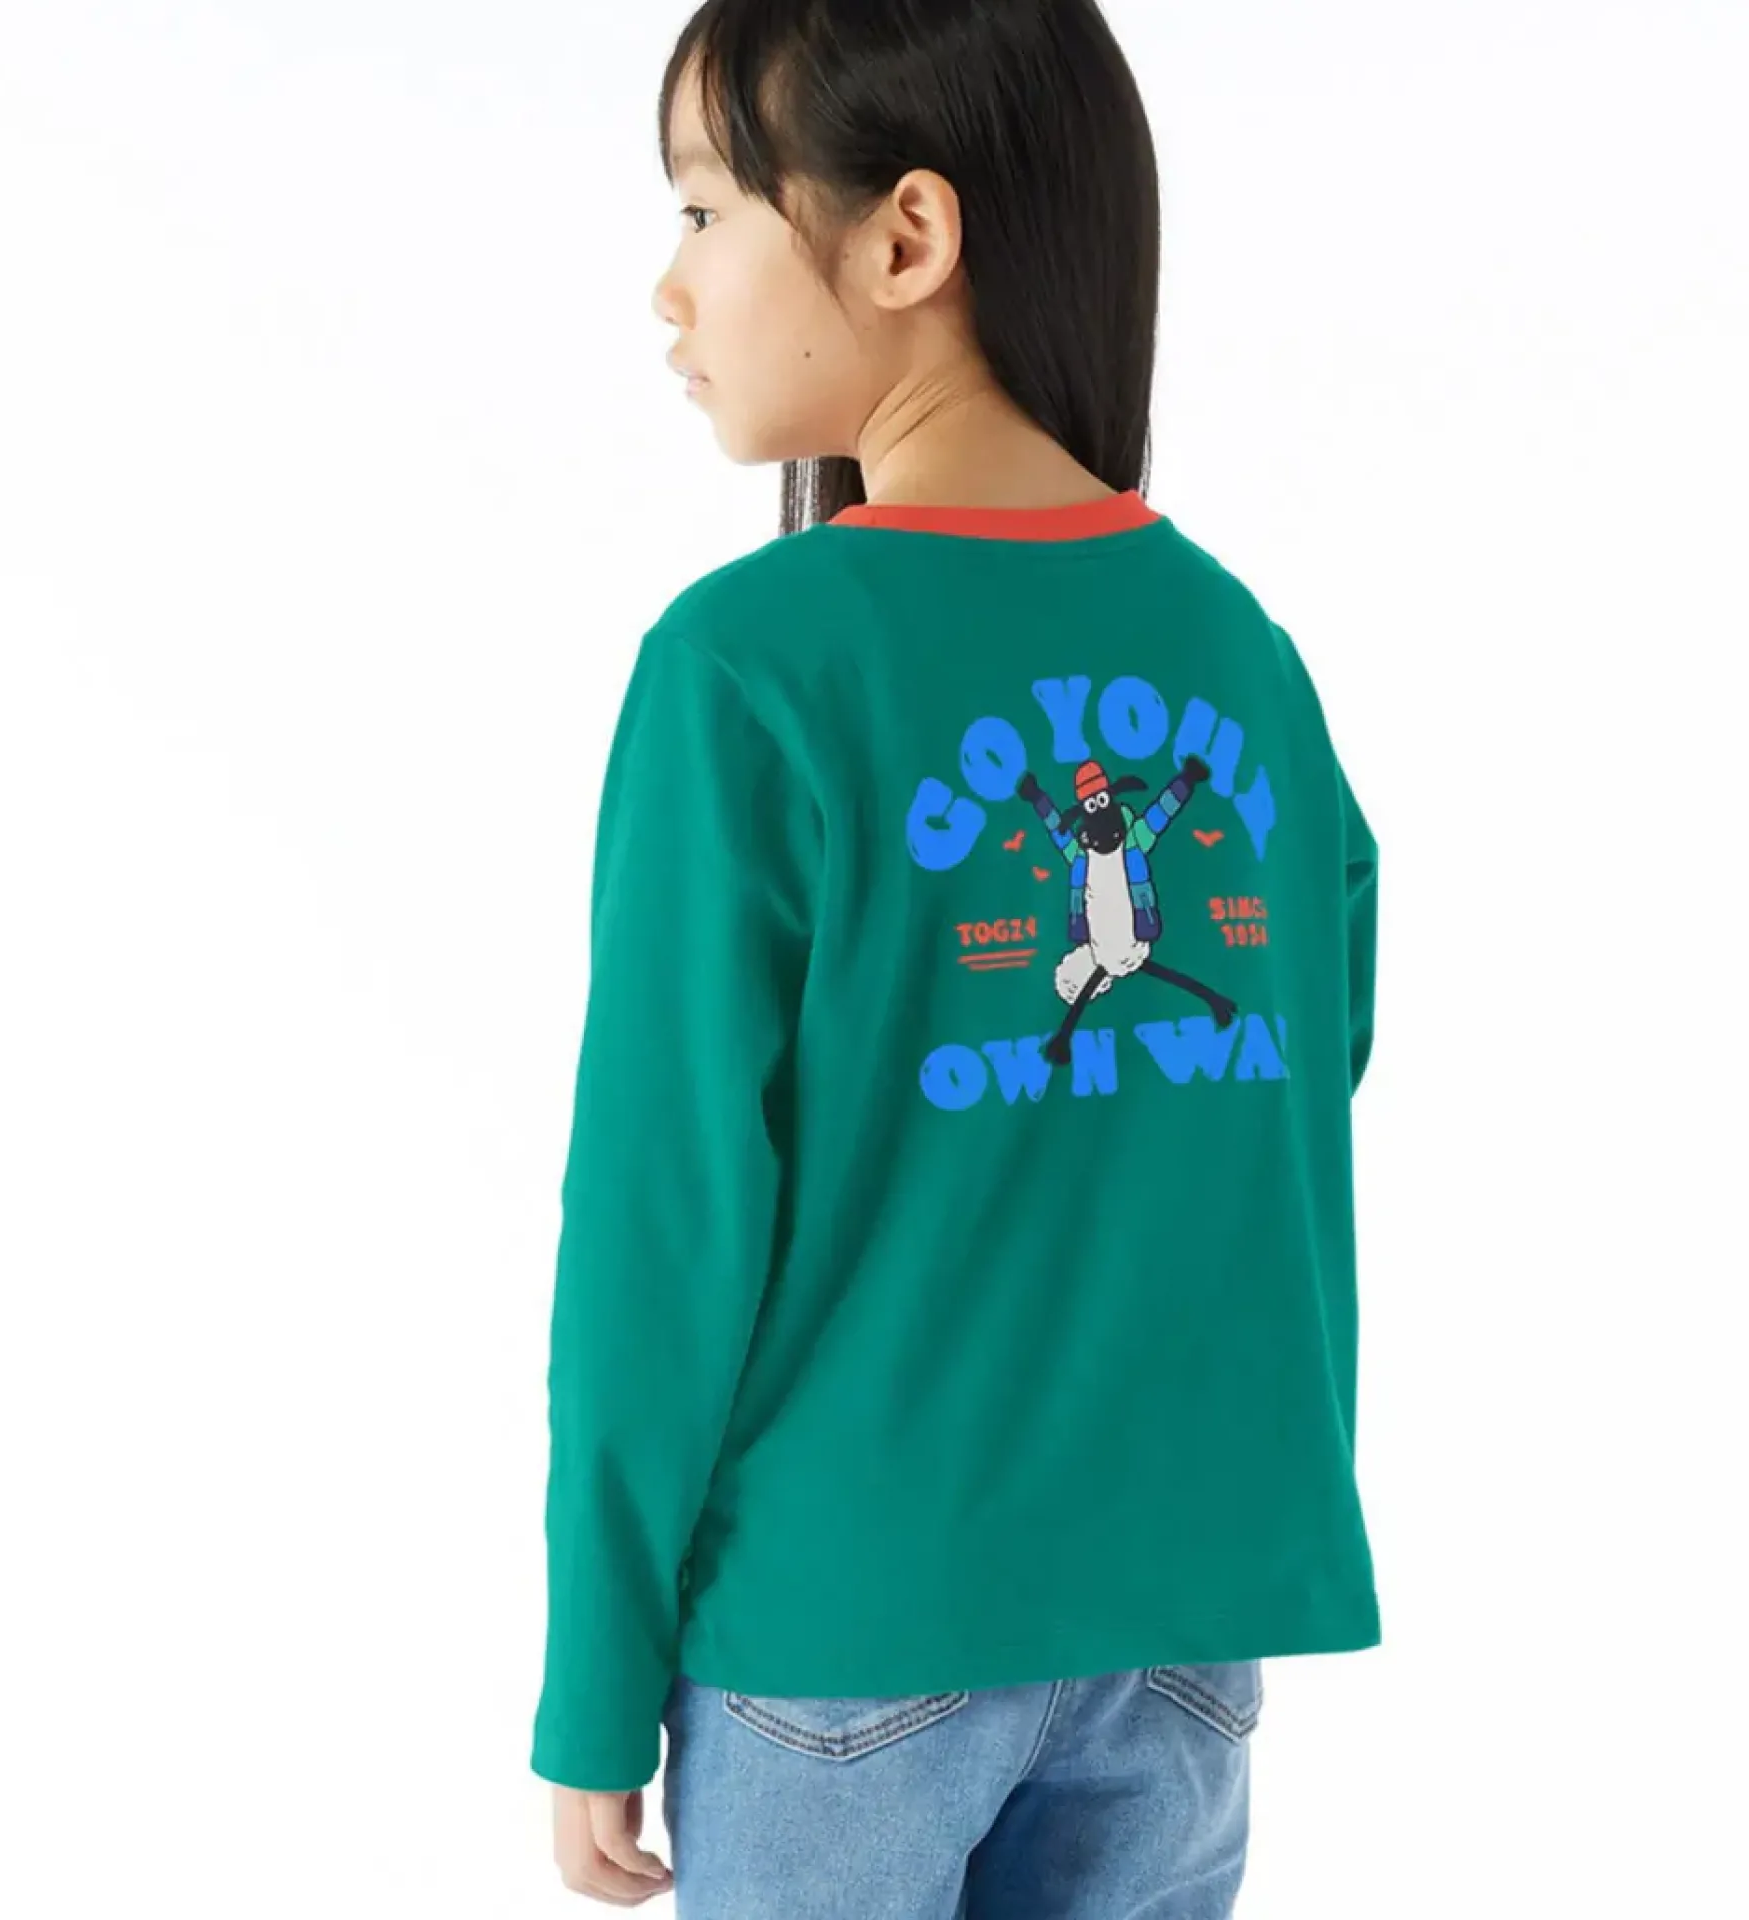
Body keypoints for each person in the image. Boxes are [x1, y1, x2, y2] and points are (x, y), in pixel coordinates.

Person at [531, 2, 1382, 1913]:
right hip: (1182, 1622)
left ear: (907, 237)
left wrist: (594, 1680)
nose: (670, 287)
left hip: (851, 1628)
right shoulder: (1235, 648)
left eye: (703, 211)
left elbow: (664, 1219)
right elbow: (1306, 1050)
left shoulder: (748, 665)